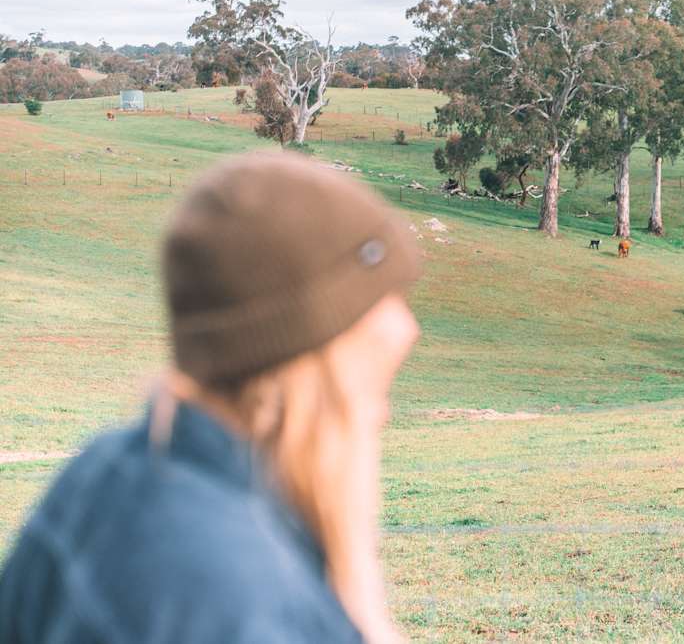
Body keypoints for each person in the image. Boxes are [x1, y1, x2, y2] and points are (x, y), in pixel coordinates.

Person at [0, 152, 422, 643]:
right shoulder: (243, 603)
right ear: (298, 350)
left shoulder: (105, 473)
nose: (405, 328)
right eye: (377, 302)